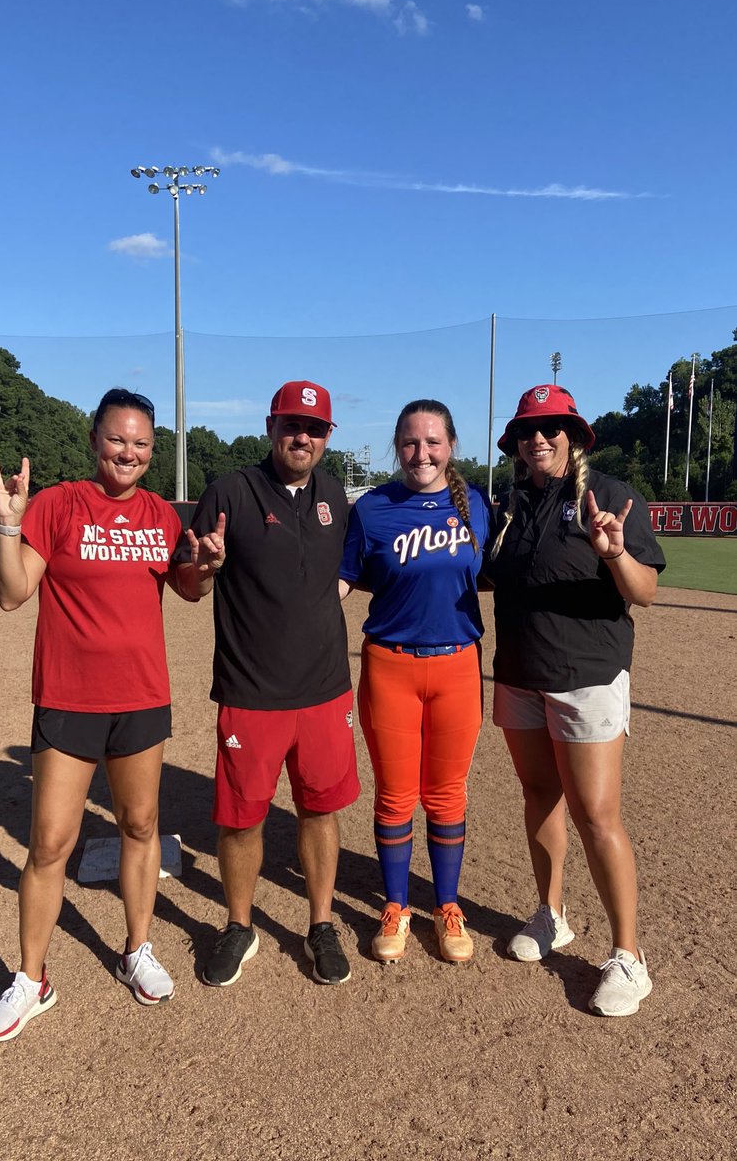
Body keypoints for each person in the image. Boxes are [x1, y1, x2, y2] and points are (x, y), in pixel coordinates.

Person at [0, 389, 183, 1042]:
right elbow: (13, 595)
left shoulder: (160, 516)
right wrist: (9, 525)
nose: (128, 451)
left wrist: (207, 564)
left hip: (142, 697)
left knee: (140, 824)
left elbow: (192, 586)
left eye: (141, 443)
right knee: (50, 844)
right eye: (118, 439)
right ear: (96, 440)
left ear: (153, 452)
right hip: (69, 698)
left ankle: (136, 950)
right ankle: (30, 980)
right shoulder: (60, 504)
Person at [170, 380, 360, 987]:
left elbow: (350, 569)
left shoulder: (336, 496)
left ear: (328, 437)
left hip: (326, 688)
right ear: (270, 427)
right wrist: (205, 567)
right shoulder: (230, 491)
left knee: (319, 810)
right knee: (242, 819)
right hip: (251, 691)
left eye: (314, 428)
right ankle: (239, 924)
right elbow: (190, 583)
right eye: (290, 425)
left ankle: (321, 924)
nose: (301, 436)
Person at [485, 383, 665, 1017]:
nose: (540, 437)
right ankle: (551, 914)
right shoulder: (505, 504)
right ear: (514, 442)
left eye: (553, 427)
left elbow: (643, 592)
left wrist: (614, 552)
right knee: (539, 796)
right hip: (519, 675)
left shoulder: (609, 496)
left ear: (574, 435)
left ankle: (628, 956)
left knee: (596, 815)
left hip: (586, 676)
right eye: (529, 429)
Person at [339, 399, 492, 964]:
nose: (421, 453)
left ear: (451, 445)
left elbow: (504, 575)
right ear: (396, 446)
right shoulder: (374, 508)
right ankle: (397, 906)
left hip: (457, 664)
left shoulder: (476, 504)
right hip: (390, 666)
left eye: (432, 442)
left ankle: (446, 906)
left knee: (447, 793)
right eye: (409, 442)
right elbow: (343, 580)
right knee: (397, 794)